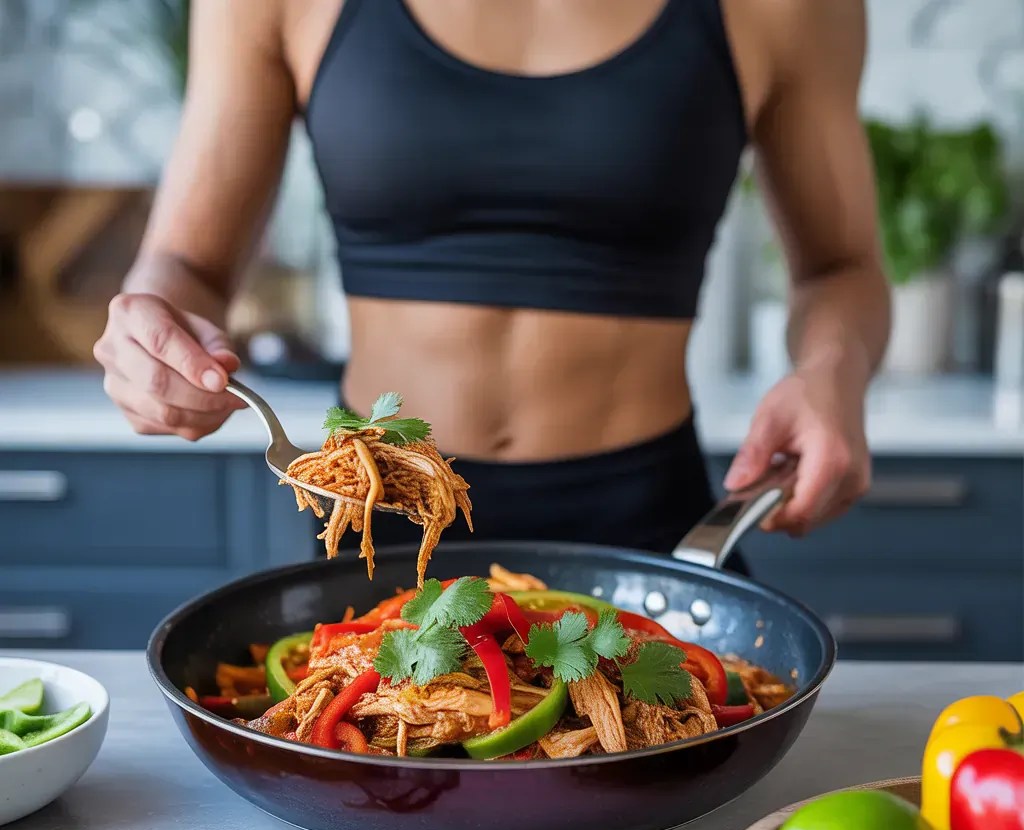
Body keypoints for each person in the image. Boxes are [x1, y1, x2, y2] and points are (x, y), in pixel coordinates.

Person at [95, 0, 890, 564]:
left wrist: (832, 371)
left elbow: (841, 269)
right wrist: (154, 332)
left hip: (651, 539)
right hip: (378, 534)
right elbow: (187, 268)